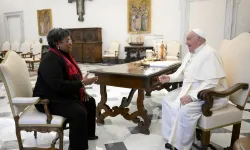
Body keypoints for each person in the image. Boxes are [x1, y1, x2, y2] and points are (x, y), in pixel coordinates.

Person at [159, 29, 228, 150]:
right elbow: (183, 73)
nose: (186, 42)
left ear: (199, 39)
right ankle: (171, 137)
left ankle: (182, 146)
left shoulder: (210, 53)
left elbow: (212, 82)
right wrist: (169, 78)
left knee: (185, 110)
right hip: (190, 90)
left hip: (210, 95)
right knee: (166, 100)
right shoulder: (191, 53)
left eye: (189, 39)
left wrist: (192, 97)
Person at [33, 28, 98, 150]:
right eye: (67, 40)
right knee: (79, 112)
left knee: (89, 101)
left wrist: (80, 84)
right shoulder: (50, 59)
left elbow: (67, 78)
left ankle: (88, 135)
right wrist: (82, 83)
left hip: (59, 94)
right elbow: (58, 85)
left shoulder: (63, 56)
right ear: (57, 43)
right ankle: (77, 147)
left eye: (70, 40)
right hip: (48, 100)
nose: (71, 43)